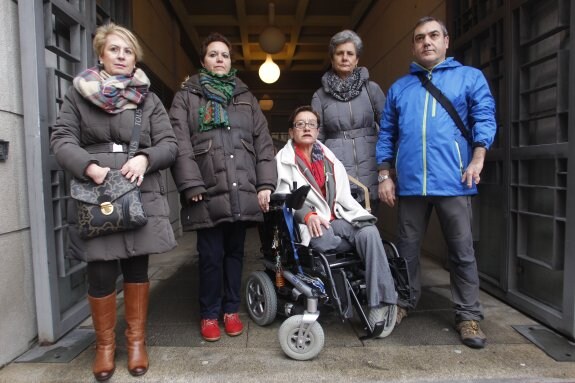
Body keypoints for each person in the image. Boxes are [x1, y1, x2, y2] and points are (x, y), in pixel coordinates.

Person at [50, 23, 178, 381]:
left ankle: (136, 342)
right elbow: (61, 139)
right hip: (96, 196)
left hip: (139, 192)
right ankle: (105, 346)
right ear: (101, 54)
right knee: (101, 270)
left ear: (135, 57)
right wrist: (87, 166)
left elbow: (169, 144)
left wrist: (146, 158)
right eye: (114, 50)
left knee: (137, 269)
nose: (122, 56)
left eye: (128, 51)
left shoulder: (148, 98)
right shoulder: (78, 95)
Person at [376, 16, 497, 349]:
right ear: (413, 46)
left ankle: (468, 316)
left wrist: (478, 157)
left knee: (461, 252)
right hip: (411, 184)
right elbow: (387, 133)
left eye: (433, 36)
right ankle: (404, 302)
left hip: (454, 180)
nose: (426, 42)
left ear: (446, 41)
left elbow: (484, 116)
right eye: (419, 38)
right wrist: (385, 174)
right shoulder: (401, 87)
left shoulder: (469, 78)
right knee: (406, 252)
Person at [169, 33, 276, 343]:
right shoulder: (187, 97)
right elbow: (180, 142)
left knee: (235, 253)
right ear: (203, 61)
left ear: (230, 62)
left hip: (242, 187)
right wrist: (190, 183)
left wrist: (265, 183)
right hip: (206, 189)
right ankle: (209, 313)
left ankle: (230, 310)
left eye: (224, 55)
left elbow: (263, 143)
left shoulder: (246, 97)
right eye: (213, 54)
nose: (219, 59)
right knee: (210, 255)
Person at [275, 106, 397, 336]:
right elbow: (283, 195)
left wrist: (349, 215)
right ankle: (361, 263)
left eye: (311, 124)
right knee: (323, 242)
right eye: (300, 124)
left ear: (318, 130)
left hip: (339, 217)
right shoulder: (283, 160)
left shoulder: (328, 156)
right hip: (313, 223)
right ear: (291, 132)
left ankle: (380, 303)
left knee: (370, 232)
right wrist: (308, 214)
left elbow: (343, 193)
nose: (306, 128)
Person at [311, 30, 386, 209]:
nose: (345, 58)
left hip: (370, 169)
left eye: (350, 53)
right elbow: (315, 141)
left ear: (357, 59)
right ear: (332, 58)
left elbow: (388, 130)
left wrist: (386, 169)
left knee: (370, 228)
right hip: (337, 172)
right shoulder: (320, 96)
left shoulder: (372, 90)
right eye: (339, 53)